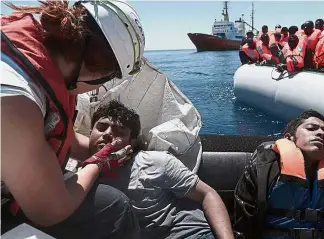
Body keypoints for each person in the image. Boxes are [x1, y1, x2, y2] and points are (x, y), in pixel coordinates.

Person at [1, 1, 145, 238]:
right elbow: (49, 209)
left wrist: (107, 149)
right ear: (98, 70)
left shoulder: (35, 63)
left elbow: (61, 140)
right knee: (115, 206)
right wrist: (98, 163)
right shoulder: (15, 97)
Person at [90, 100, 234, 239]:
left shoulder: (155, 162)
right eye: (101, 128)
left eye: (119, 132)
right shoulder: (79, 179)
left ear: (132, 142)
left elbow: (207, 194)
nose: (108, 134)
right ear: (90, 132)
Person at [234, 109, 324, 239]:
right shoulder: (264, 166)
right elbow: (243, 221)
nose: (320, 134)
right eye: (311, 128)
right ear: (289, 137)